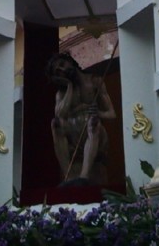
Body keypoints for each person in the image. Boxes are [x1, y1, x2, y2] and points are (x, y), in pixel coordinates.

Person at [46, 52, 115, 185]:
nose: (63, 70)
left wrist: (99, 113)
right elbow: (59, 115)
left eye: (62, 64)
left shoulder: (95, 81)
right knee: (55, 124)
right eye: (58, 72)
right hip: (73, 134)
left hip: (93, 130)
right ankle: (69, 176)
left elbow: (112, 114)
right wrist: (69, 86)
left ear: (70, 61)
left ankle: (84, 176)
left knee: (93, 123)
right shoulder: (62, 93)